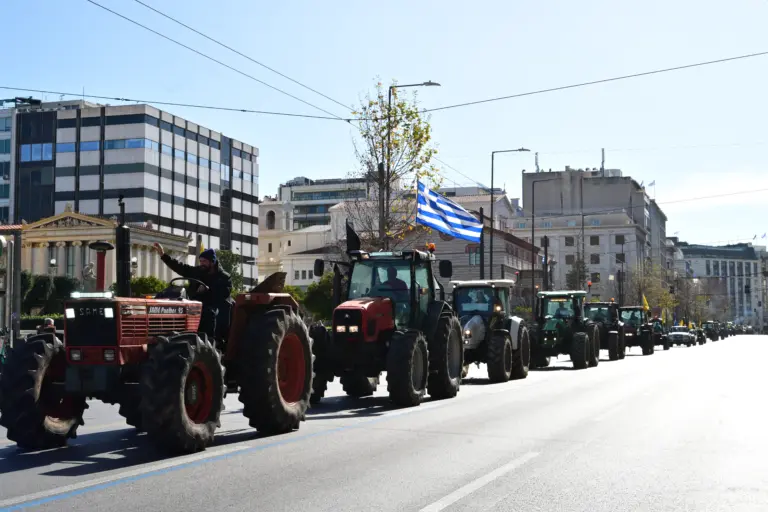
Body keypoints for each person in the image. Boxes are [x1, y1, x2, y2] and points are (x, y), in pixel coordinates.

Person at [153, 243, 232, 341]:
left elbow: (224, 293)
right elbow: (180, 267)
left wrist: (208, 289)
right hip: (195, 305)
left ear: (212, 262)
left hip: (214, 305)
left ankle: (210, 340)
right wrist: (163, 255)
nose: (201, 263)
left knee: (209, 313)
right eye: (200, 261)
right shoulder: (197, 271)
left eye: (204, 261)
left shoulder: (224, 277)